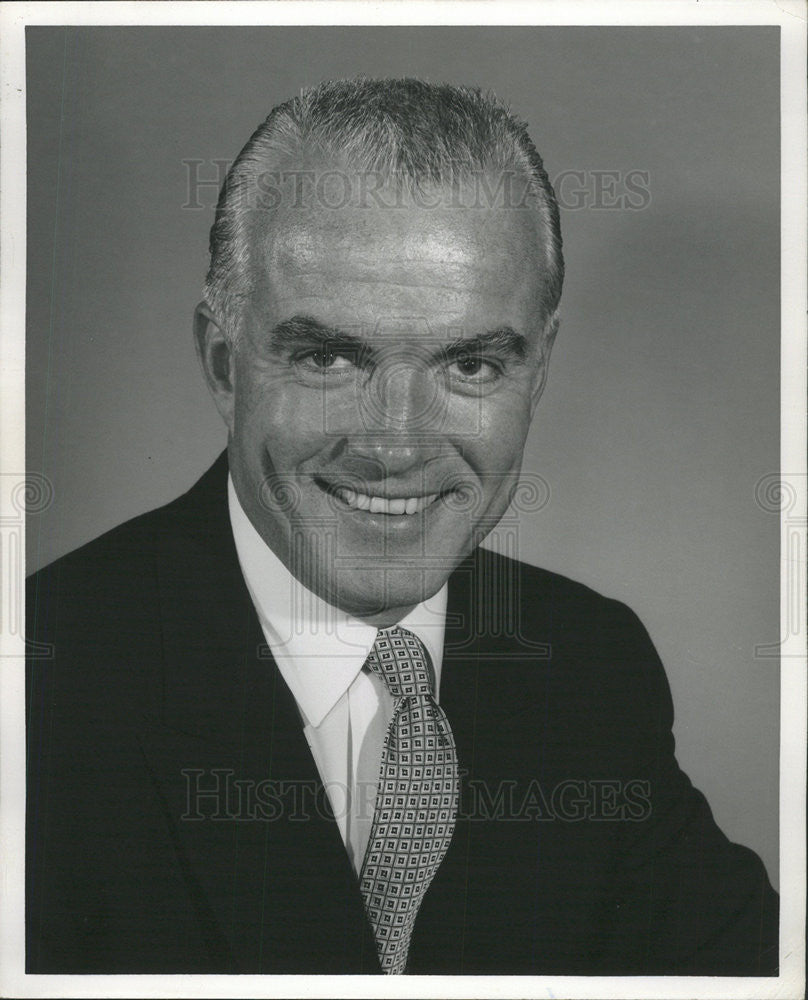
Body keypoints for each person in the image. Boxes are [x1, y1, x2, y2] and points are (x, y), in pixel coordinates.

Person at [26, 77, 778, 976]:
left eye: (470, 364)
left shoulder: (588, 665)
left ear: (536, 372)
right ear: (224, 362)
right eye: (329, 356)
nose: (395, 445)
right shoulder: (37, 689)